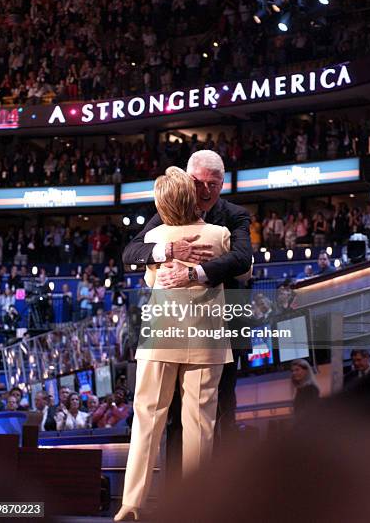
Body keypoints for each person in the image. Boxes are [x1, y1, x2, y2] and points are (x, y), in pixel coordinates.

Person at [115, 166, 234, 521]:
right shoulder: (220, 235)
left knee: (147, 420)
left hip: (160, 338)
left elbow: (150, 276)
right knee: (200, 425)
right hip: (205, 339)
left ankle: (131, 505)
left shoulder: (155, 242)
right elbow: (243, 272)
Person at [122, 150, 252, 445]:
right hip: (173, 331)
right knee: (176, 419)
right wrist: (168, 251)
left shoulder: (235, 215)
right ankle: (177, 490)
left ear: (223, 184)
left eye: (213, 183)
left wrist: (195, 273)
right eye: (198, 182)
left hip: (223, 329)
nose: (205, 190)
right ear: (185, 180)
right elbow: (130, 253)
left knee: (222, 413)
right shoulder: (166, 216)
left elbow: (242, 259)